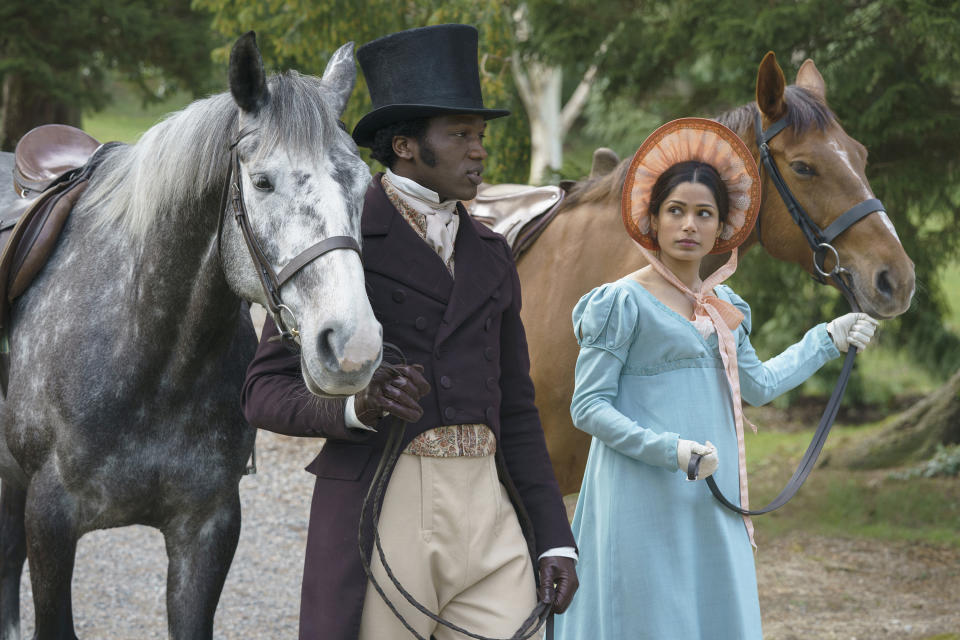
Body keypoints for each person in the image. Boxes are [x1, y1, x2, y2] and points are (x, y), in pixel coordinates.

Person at [241, 24, 578, 640]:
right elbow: (262, 391)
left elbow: (519, 408)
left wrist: (557, 539)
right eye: (459, 136)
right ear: (404, 145)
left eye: (479, 136)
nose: (478, 151)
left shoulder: (493, 252)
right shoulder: (341, 245)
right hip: (384, 501)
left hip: (490, 510)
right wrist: (353, 408)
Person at [553, 118, 878, 640]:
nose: (689, 225)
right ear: (652, 220)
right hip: (640, 496)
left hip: (711, 497)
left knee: (708, 615)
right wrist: (671, 451)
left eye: (704, 214)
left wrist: (828, 338)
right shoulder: (621, 302)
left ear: (722, 228)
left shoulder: (725, 307)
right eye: (675, 211)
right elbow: (588, 407)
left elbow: (758, 385)